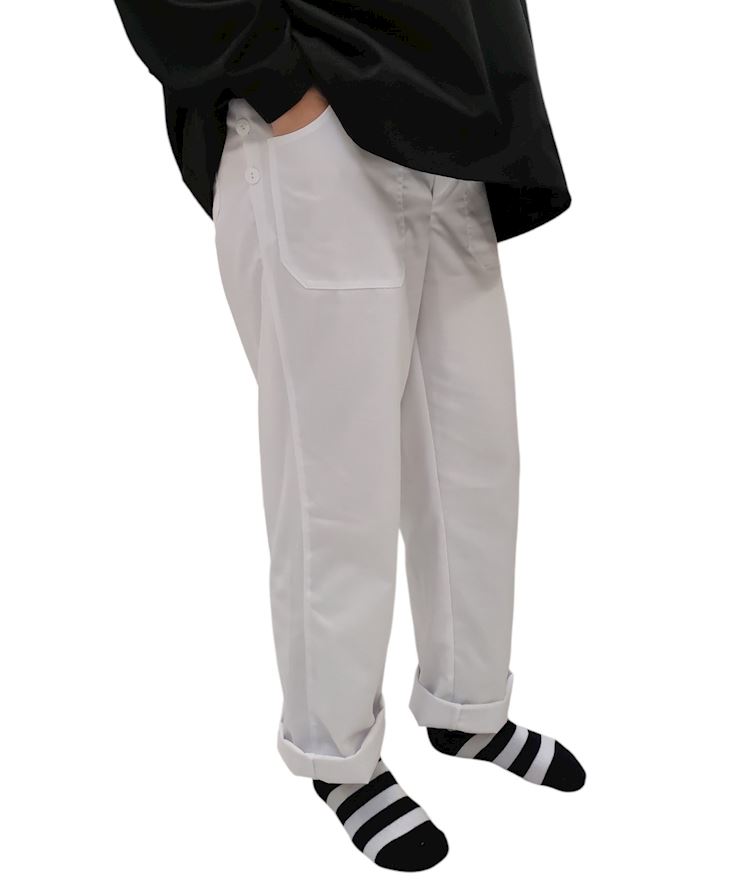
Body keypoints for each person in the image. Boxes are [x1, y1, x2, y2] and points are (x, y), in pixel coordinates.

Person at [112, 0, 585, 871]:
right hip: (317, 112)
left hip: (452, 122)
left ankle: (467, 705)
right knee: (336, 477)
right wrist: (281, 91)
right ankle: (335, 752)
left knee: (475, 457)